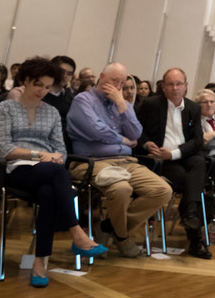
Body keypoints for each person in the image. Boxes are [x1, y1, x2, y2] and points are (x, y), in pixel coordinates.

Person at [0, 57, 107, 286]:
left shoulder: (52, 113)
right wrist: (37, 155)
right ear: (24, 80)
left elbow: (60, 150)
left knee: (48, 192)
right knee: (59, 174)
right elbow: (3, 149)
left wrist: (55, 157)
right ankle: (77, 233)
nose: (42, 91)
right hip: (15, 169)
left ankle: (40, 264)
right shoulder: (6, 108)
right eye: (38, 84)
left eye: (47, 86)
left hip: (47, 171)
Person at [66, 62, 172, 258]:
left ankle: (109, 227)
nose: (117, 86)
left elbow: (136, 132)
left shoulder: (119, 103)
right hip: (90, 161)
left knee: (162, 191)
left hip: (125, 161)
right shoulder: (84, 100)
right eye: (114, 81)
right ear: (102, 76)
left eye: (122, 83)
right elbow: (95, 129)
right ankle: (122, 237)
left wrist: (122, 104)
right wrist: (122, 139)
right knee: (122, 189)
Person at [136, 67, 211, 259]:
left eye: (179, 84)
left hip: (182, 155)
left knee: (199, 163)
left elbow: (197, 140)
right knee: (190, 182)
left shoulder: (193, 107)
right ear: (163, 86)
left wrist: (175, 153)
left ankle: (190, 212)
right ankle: (195, 238)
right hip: (161, 160)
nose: (175, 88)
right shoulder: (151, 104)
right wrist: (147, 143)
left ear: (186, 87)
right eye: (170, 84)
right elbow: (136, 130)